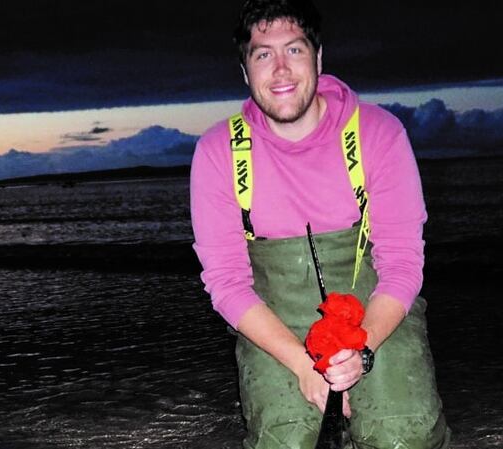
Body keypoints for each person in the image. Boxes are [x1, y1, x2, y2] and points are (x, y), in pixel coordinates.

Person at [190, 0, 451, 447]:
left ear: (318, 56)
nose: (281, 70)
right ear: (245, 71)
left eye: (294, 50)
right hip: (276, 326)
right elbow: (226, 282)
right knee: (287, 441)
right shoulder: (218, 152)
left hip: (374, 315)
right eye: (262, 54)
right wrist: (300, 364)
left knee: (403, 437)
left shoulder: (379, 133)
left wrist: (361, 350)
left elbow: (403, 264)